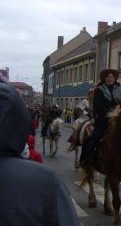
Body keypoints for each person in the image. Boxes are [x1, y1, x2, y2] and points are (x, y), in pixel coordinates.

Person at [0, 82, 80, 225]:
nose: (56, 107)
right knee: (46, 129)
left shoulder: (57, 111)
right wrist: (49, 117)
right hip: (50, 121)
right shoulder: (49, 182)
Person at [79, 69, 121, 169]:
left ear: (115, 78)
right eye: (108, 77)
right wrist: (114, 104)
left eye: (112, 77)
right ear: (105, 78)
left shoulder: (120, 89)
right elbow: (98, 106)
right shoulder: (99, 90)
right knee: (95, 137)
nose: (110, 79)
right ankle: (86, 159)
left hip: (118, 116)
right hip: (103, 118)